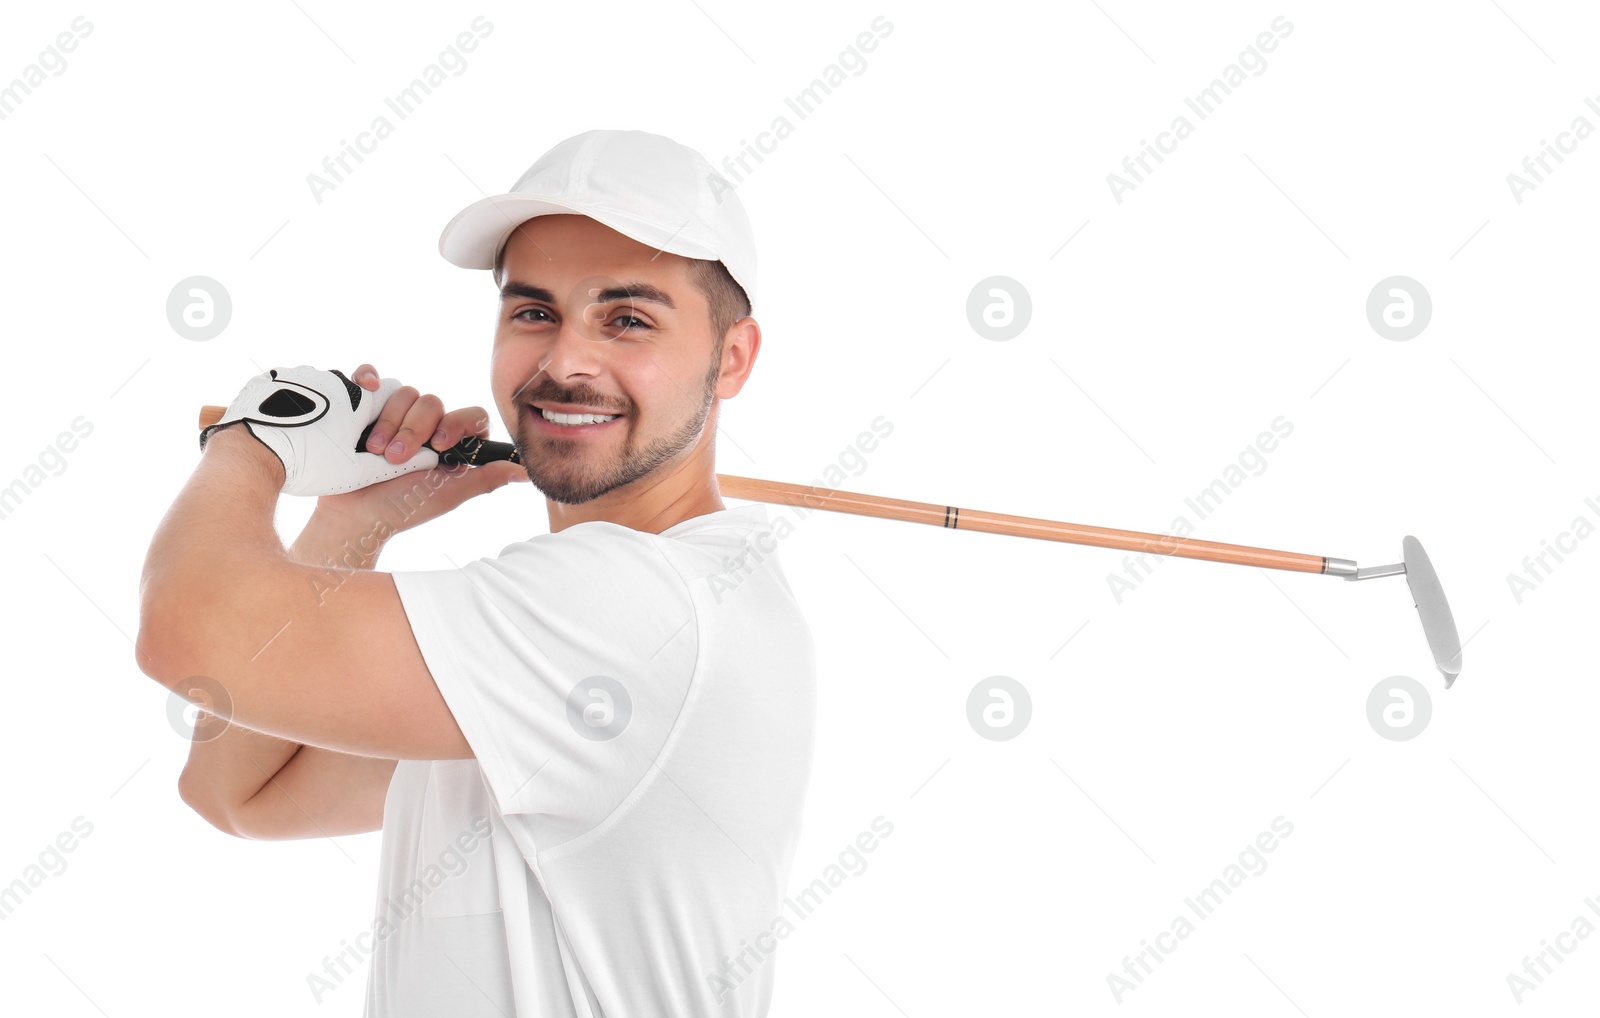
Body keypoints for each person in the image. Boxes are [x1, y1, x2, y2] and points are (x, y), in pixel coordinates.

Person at [136, 129, 818, 1017]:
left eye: (628, 319)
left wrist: (252, 441)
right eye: (534, 312)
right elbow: (238, 790)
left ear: (731, 358)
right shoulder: (575, 640)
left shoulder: (640, 604)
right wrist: (358, 519)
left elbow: (188, 632)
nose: (566, 362)